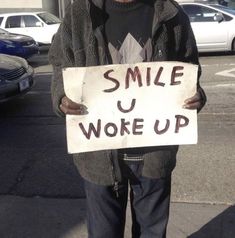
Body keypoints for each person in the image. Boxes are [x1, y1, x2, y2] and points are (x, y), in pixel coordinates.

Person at [49, 0, 207, 237]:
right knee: (104, 233)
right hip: (99, 157)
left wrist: (195, 94)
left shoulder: (171, 13)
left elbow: (189, 65)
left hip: (155, 155)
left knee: (152, 233)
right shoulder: (80, 11)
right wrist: (61, 94)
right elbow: (60, 60)